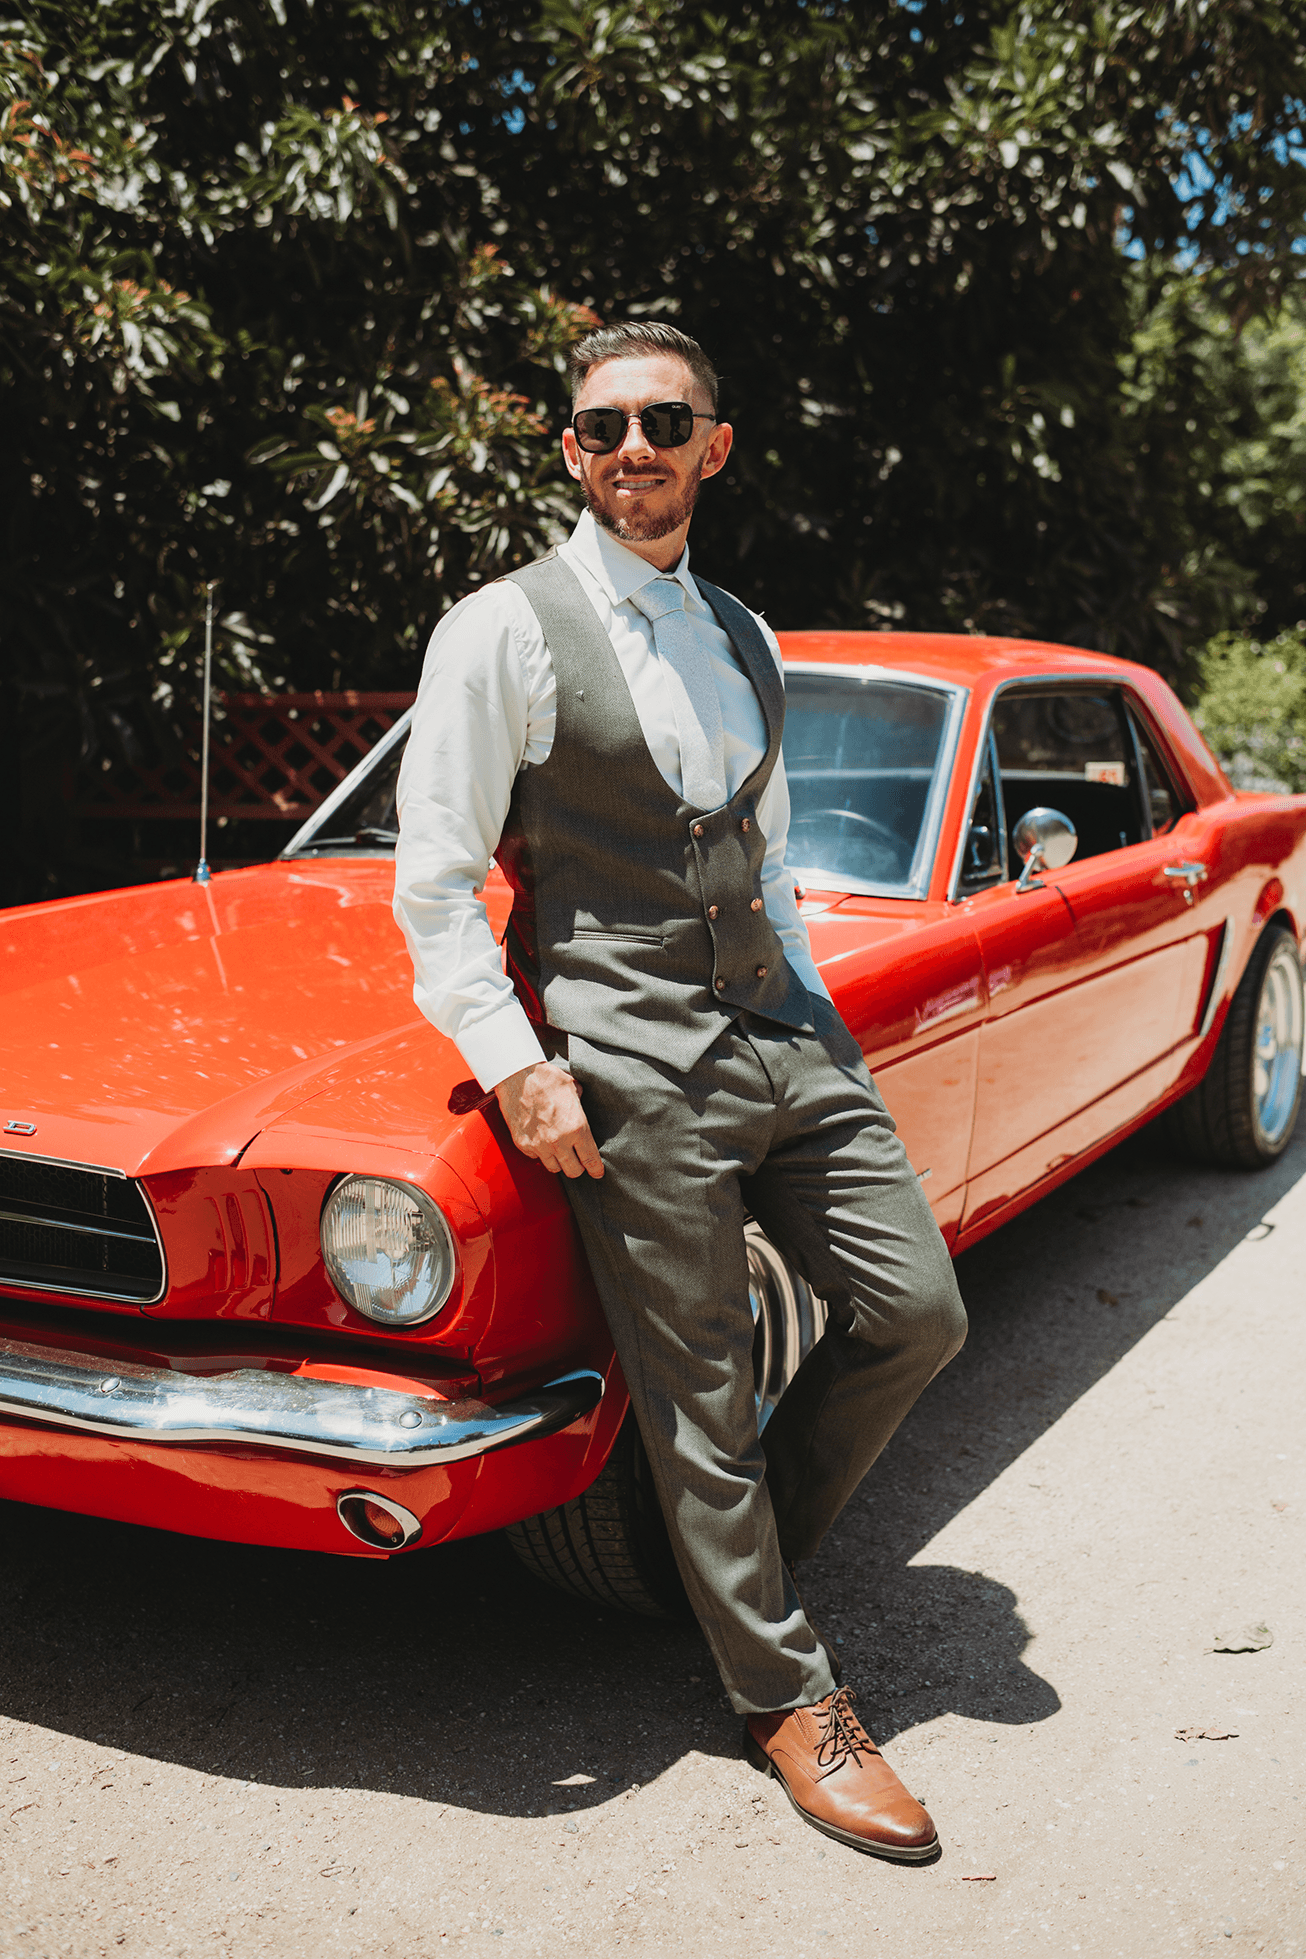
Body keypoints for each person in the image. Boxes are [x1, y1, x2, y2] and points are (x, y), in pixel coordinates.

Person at [393, 320, 967, 1861]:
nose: (627, 446)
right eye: (596, 427)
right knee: (698, 1383)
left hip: (782, 1031)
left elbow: (766, 857)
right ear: (569, 449)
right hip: (626, 1045)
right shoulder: (498, 632)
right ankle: (785, 1690)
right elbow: (435, 888)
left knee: (918, 1312)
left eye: (660, 420)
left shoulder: (745, 632)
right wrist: (518, 1071)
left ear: (716, 444)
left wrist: (818, 1017)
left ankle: (729, 1564)